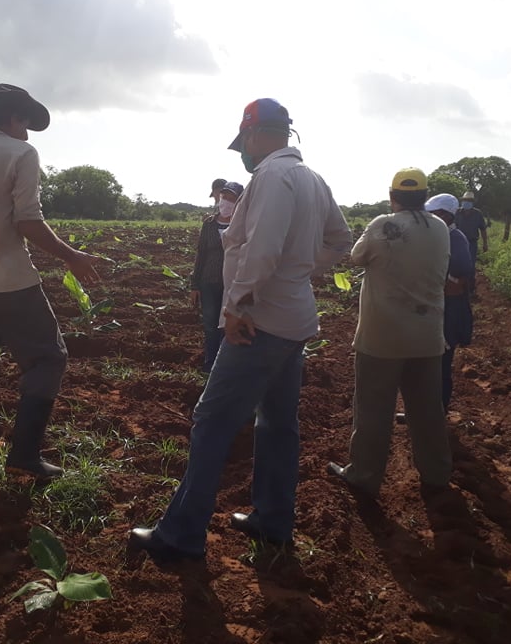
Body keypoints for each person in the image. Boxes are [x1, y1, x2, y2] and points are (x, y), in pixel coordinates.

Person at [129, 98, 352, 562]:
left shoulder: (270, 177)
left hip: (259, 321)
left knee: (211, 423)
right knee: (277, 425)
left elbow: (262, 249)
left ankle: (180, 536)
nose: (244, 153)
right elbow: (341, 242)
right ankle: (272, 521)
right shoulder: (313, 179)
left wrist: (236, 306)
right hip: (294, 321)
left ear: (253, 134)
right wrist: (301, 269)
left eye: (244, 143)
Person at [0, 83, 102, 486]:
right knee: (48, 357)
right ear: (15, 119)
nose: (27, 134)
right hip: (10, 282)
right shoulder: (21, 153)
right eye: (26, 124)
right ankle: (25, 454)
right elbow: (27, 221)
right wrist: (72, 257)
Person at [327, 168, 452, 499]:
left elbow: (356, 258)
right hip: (427, 335)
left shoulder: (383, 224)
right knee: (427, 409)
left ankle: (364, 475)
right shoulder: (440, 228)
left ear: (392, 195)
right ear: (425, 196)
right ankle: (437, 473)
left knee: (373, 409)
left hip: (382, 336)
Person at [424, 194, 474, 412]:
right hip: (439, 310)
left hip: (448, 313)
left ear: (444, 215)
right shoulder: (443, 236)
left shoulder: (455, 239)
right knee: (429, 366)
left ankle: (438, 412)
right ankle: (427, 411)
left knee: (441, 366)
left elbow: (460, 280)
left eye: (432, 215)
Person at [190, 181, 244, 372]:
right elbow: (201, 254)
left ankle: (224, 366)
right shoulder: (209, 225)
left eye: (232, 198)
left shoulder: (243, 226)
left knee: (227, 326)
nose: (226, 202)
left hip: (231, 285)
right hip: (208, 282)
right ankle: (209, 364)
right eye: (224, 197)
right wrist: (195, 285)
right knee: (210, 325)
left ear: (240, 202)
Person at [455, 190, 488, 294]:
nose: (466, 202)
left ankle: (470, 288)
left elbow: (483, 229)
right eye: (465, 200)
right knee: (456, 264)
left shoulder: (478, 214)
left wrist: (485, 243)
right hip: (458, 242)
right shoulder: (457, 213)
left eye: (469, 200)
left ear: (472, 202)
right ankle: (458, 286)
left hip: (471, 242)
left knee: (470, 265)